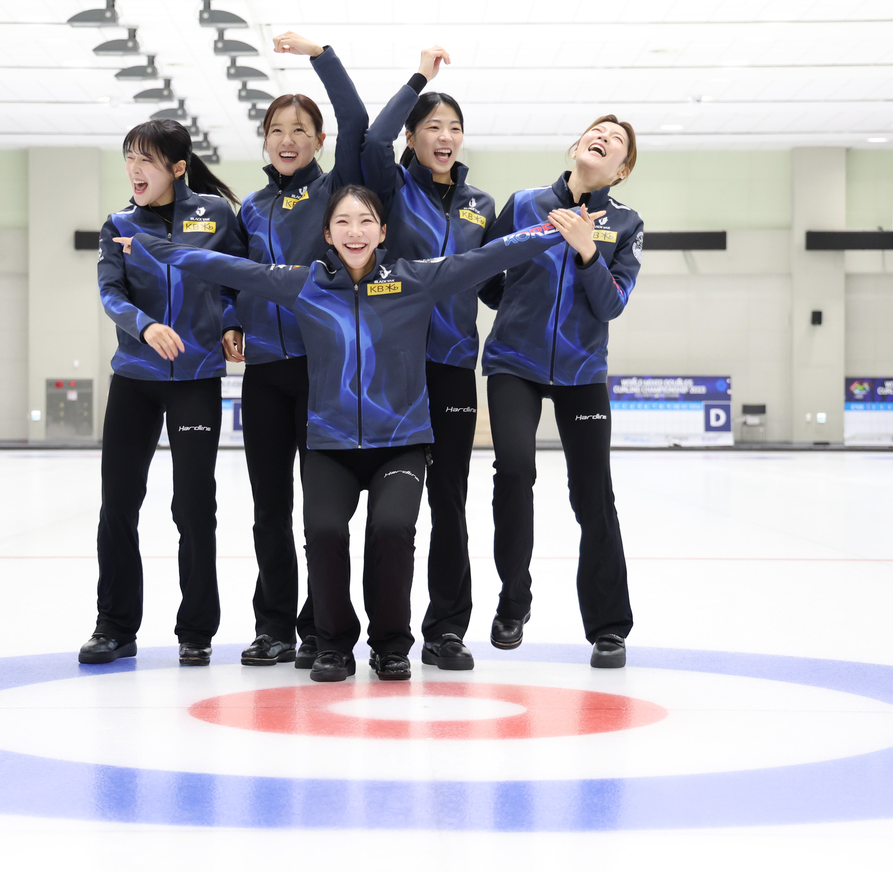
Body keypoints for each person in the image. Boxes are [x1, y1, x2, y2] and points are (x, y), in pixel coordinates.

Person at [113, 186, 600, 681]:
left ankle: (390, 644)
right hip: (331, 445)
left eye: (365, 221)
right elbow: (223, 266)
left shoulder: (414, 279)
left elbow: (490, 255)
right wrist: (151, 245)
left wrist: (555, 229)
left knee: (392, 529)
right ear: (327, 235)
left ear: (383, 232)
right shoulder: (305, 284)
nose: (355, 232)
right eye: (342, 223)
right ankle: (333, 644)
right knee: (324, 531)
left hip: (401, 444)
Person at [224, 32, 368, 670]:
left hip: (322, 372)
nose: (287, 140)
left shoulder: (336, 192)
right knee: (269, 507)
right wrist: (231, 318)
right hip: (264, 374)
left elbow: (358, 120)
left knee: (321, 510)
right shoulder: (250, 209)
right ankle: (274, 625)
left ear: (319, 139)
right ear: (265, 140)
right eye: (277, 130)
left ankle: (321, 626)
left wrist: (320, 56)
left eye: (300, 130)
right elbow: (232, 275)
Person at [478, 115, 644, 669]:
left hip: (582, 371)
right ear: (577, 145)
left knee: (593, 495)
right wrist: (518, 306)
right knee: (513, 472)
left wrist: (588, 252)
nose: (603, 138)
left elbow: (612, 304)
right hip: (514, 364)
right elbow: (486, 276)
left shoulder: (626, 224)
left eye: (616, 141)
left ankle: (609, 627)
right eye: (597, 131)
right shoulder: (525, 203)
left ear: (621, 170)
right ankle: (513, 602)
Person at [77, 119, 244, 667]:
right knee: (118, 504)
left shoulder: (216, 215)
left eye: (146, 159)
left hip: (196, 379)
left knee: (194, 506)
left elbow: (236, 280)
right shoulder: (119, 225)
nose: (134, 169)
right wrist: (144, 325)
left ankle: (196, 630)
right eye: (129, 157)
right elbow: (110, 291)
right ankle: (114, 626)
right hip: (135, 379)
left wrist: (231, 321)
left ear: (177, 167)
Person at [360, 47, 493, 671]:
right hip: (397, 367)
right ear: (412, 137)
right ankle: (386, 633)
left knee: (450, 500)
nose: (445, 137)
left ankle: (446, 629)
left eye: (454, 127)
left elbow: (493, 283)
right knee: (393, 507)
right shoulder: (390, 188)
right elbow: (373, 137)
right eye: (432, 127)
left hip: (454, 366)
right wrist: (419, 79)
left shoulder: (480, 205)